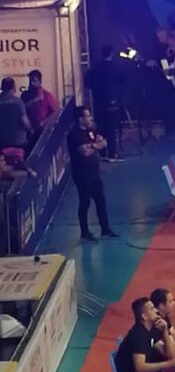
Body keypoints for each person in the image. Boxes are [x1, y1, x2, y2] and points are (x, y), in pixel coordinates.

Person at [67, 106, 118, 241]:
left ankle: (105, 229)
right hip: (82, 175)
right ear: (80, 119)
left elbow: (104, 143)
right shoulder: (74, 134)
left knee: (101, 201)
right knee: (85, 203)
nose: (90, 118)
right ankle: (84, 233)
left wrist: (92, 145)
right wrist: (95, 145)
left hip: (94, 172)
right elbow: (85, 152)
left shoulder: (91, 130)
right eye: (87, 116)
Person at [115, 296, 175, 372]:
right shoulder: (138, 335)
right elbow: (140, 367)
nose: (156, 311)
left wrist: (165, 331)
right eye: (152, 309)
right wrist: (169, 364)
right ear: (144, 316)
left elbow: (169, 354)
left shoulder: (150, 331)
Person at [85, 46, 125, 160]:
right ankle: (113, 152)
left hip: (98, 102)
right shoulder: (117, 67)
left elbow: (87, 84)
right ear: (112, 54)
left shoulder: (94, 68)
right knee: (112, 128)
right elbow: (123, 82)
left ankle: (102, 152)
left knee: (100, 127)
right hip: (113, 102)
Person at [21, 70, 57, 145]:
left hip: (42, 131)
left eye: (34, 81)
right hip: (28, 131)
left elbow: (55, 112)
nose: (31, 83)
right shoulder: (25, 95)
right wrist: (35, 100)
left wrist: (44, 123)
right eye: (30, 81)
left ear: (40, 82)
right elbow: (21, 109)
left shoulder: (47, 95)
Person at [0, 77, 30, 153]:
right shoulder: (18, 102)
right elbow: (25, 122)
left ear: (2, 87)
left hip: (1, 142)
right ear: (13, 88)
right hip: (18, 142)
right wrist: (30, 129)